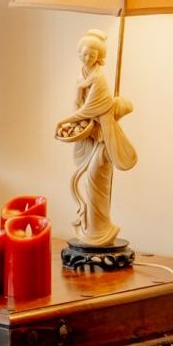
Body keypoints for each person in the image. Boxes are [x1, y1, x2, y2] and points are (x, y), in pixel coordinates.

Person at [54, 29, 137, 248]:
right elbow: (78, 106)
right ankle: (91, 229)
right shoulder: (82, 75)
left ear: (99, 56)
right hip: (89, 136)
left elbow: (88, 110)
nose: (87, 57)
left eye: (92, 54)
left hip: (102, 138)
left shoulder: (99, 79)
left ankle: (102, 229)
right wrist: (77, 93)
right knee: (85, 179)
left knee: (95, 179)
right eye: (84, 52)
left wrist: (64, 120)